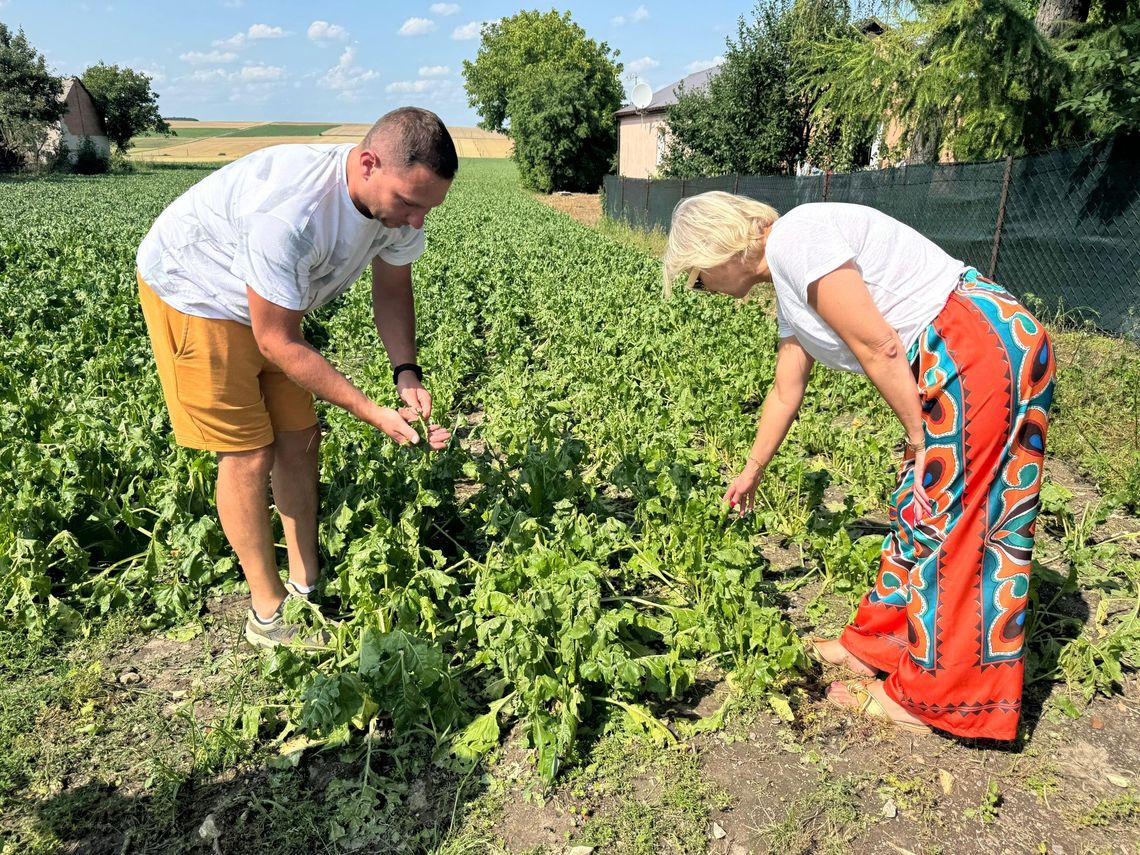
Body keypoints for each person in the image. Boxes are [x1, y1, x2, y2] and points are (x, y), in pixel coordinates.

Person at [662, 193, 1055, 740]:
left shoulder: (797, 239)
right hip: (958, 350)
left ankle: (937, 699)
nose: (701, 289)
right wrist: (752, 468)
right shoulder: (788, 276)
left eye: (697, 278)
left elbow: (880, 346)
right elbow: (785, 389)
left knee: (960, 522)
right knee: (918, 505)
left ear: (717, 250)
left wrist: (920, 439)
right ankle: (880, 643)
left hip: (976, 345)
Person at [136, 107, 455, 649]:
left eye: (429, 207)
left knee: (301, 439)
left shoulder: (399, 210)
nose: (417, 221)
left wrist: (406, 374)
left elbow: (392, 291)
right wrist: (371, 411)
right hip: (196, 292)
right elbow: (277, 342)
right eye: (408, 203)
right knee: (248, 453)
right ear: (369, 164)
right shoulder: (292, 215)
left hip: (273, 307)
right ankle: (267, 612)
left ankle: (305, 584)